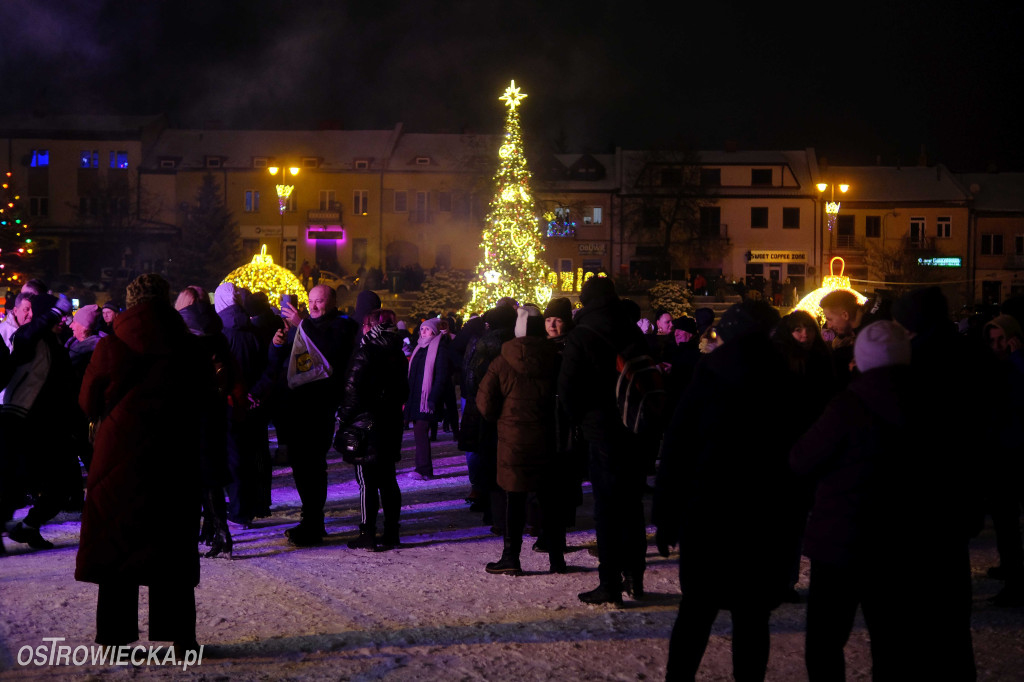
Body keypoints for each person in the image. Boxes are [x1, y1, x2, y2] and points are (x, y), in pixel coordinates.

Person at [790, 320, 976, 680]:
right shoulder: (934, 404)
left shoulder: (846, 405)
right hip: (901, 543)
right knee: (892, 642)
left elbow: (801, 459)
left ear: (861, 359)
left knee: (825, 640)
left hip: (841, 542)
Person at [655, 299, 801, 681]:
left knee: (696, 611)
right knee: (752, 618)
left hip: (709, 512)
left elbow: (677, 449)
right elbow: (797, 459)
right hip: (763, 516)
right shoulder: (785, 378)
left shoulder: (709, 374)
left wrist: (667, 515)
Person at [76, 274, 218, 654]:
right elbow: (206, 397)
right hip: (174, 456)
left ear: (130, 302)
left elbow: (88, 403)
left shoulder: (110, 346)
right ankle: (181, 638)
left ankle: (114, 637)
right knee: (171, 547)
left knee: (116, 543)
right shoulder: (189, 347)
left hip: (118, 460)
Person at [559, 276, 648, 606]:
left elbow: (567, 391)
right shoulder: (632, 329)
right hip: (635, 427)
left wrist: (581, 419)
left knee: (607, 508)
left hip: (601, 430)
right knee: (632, 505)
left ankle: (609, 582)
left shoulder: (581, 334)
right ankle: (635, 576)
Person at [477, 314, 567, 575]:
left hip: (513, 441)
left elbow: (484, 402)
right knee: (550, 499)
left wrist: (502, 419)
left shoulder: (501, 361)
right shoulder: (555, 359)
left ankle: (511, 557)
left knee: (514, 499)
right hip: (547, 437)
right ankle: (556, 559)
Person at [270, 284, 357, 545]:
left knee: (312, 466)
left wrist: (302, 324)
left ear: (332, 303)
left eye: (319, 301)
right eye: (310, 300)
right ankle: (310, 519)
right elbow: (287, 361)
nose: (313, 306)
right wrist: (278, 345)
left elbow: (329, 353)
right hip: (296, 406)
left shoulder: (341, 325)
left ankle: (313, 523)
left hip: (319, 407)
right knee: (300, 465)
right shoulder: (307, 325)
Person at [338, 309, 409, 551]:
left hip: (366, 423)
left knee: (367, 479)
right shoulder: (397, 353)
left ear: (371, 327)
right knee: (388, 479)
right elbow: (404, 391)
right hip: (390, 421)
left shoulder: (367, 351)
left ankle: (367, 531)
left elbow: (352, 390)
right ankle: (391, 530)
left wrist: (344, 417)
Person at [404, 317, 452, 480]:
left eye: (427, 329)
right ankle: (422, 468)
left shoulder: (440, 348)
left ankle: (424, 469)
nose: (423, 331)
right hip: (416, 397)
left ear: (435, 331)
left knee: (421, 431)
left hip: (427, 398)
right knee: (419, 432)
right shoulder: (419, 347)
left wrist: (433, 397)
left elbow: (441, 375)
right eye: (422, 329)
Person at [820, 290, 865, 389]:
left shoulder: (868, 340)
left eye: (830, 319)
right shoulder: (854, 337)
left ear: (845, 315)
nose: (829, 326)